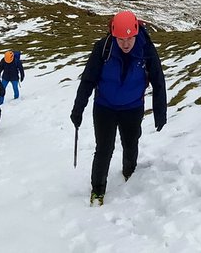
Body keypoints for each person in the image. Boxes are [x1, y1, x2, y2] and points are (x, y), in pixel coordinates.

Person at [70, 10, 167, 206]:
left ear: (136, 32)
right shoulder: (103, 48)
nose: (125, 43)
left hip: (133, 108)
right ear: (113, 34)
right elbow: (88, 79)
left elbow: (158, 80)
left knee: (131, 145)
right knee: (104, 149)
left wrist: (160, 112)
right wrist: (78, 108)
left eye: (129, 38)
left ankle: (129, 173)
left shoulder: (146, 48)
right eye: (121, 39)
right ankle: (97, 190)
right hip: (104, 107)